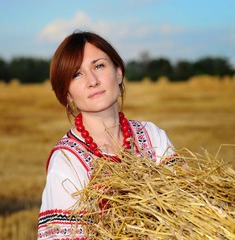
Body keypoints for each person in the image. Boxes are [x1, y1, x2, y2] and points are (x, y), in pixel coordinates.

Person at [37, 30, 177, 239]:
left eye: (99, 66)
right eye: (77, 74)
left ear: (118, 72)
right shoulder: (67, 161)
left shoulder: (152, 136)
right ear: (67, 94)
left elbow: (185, 208)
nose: (92, 80)